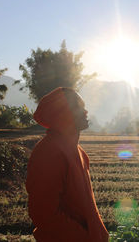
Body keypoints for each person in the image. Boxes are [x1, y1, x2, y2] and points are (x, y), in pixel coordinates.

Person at [26, 87, 109, 242]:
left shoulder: (79, 152)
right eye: (79, 107)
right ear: (63, 112)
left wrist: (100, 234)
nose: (86, 112)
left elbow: (88, 206)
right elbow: (43, 213)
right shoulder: (49, 152)